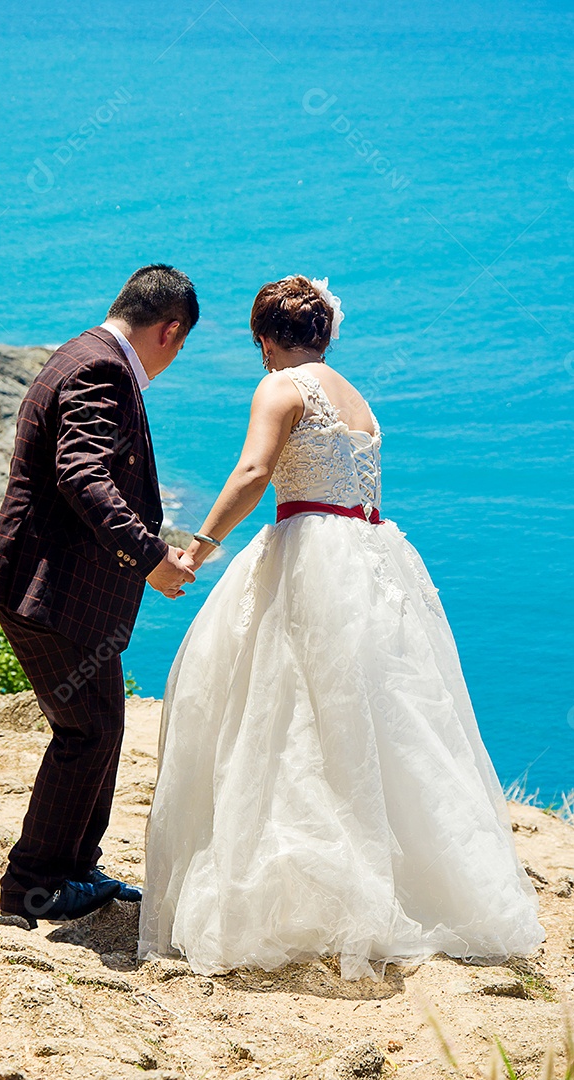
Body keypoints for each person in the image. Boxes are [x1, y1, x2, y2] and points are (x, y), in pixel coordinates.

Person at [138, 273, 545, 980]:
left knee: (274, 713)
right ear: (324, 332)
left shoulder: (281, 386)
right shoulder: (354, 396)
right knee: (381, 720)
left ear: (266, 338)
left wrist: (196, 547)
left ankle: (298, 892)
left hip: (308, 552)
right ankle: (413, 887)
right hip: (373, 555)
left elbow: (252, 471)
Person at [0, 264, 198, 927]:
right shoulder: (103, 369)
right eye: (178, 347)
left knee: (98, 727)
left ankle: (74, 870)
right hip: (50, 589)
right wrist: (151, 556)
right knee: (86, 732)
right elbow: (83, 474)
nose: (172, 361)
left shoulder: (81, 351)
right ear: (169, 329)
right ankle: (30, 890)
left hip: (51, 587)